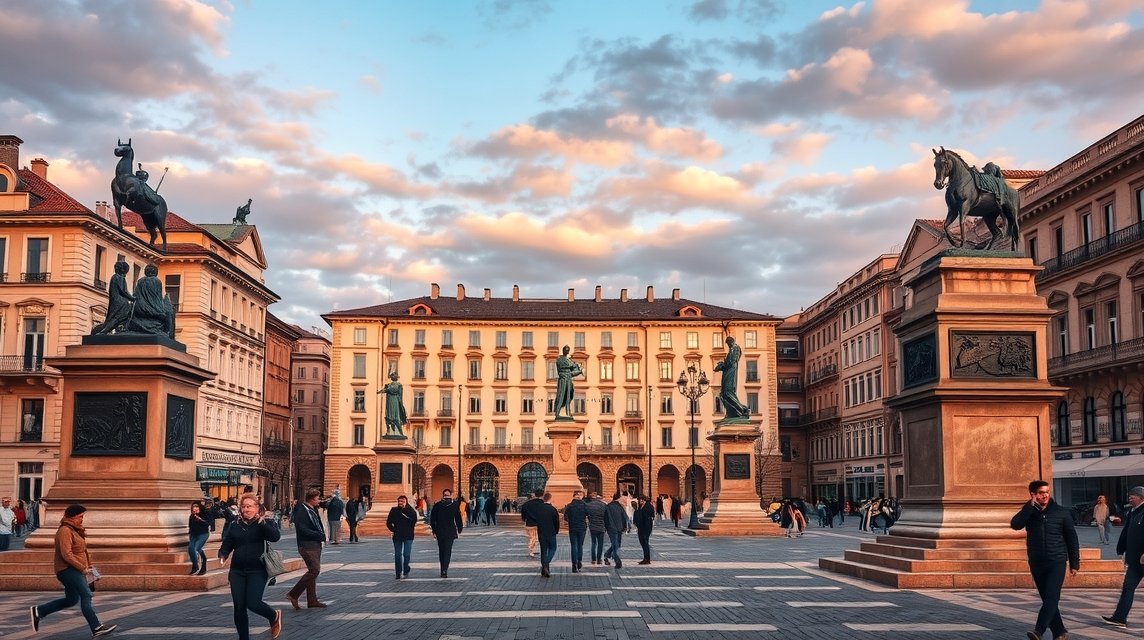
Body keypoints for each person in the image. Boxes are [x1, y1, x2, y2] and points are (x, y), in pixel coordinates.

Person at [29, 504, 117, 637]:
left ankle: (39, 611)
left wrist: (90, 568)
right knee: (86, 596)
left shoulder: (75, 530)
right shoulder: (65, 530)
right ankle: (97, 627)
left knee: (71, 600)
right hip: (68, 570)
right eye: (80, 516)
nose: (82, 519)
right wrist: (83, 568)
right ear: (73, 516)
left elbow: (82, 552)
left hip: (75, 569)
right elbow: (66, 554)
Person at [1011, 480, 1079, 640]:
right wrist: (1029, 506)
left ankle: (1038, 631)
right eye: (1041, 493)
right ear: (1033, 494)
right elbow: (1015, 525)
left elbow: (1072, 539)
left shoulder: (1061, 512)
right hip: (1037, 561)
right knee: (1047, 599)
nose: (1045, 495)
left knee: (1051, 597)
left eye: (1047, 492)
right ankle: (1060, 631)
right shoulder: (1029, 512)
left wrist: (1074, 563)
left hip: (1057, 561)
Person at [1103, 486, 1144, 628]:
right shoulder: (1133, 512)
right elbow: (1126, 532)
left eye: (1133, 495)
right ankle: (1120, 618)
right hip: (1134, 560)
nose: (1130, 498)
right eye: (1129, 495)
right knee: (1128, 587)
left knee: (1128, 587)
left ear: (1141, 497)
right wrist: (1121, 548)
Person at [287, 489, 327, 611]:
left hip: (314, 544)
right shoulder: (302, 510)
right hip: (307, 544)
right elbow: (302, 529)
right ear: (312, 499)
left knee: (312, 571)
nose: (319, 500)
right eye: (318, 498)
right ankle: (294, 594)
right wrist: (318, 535)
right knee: (314, 571)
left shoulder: (310, 510)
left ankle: (312, 600)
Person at [91, 260, 134, 335]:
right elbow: (124, 291)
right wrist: (133, 298)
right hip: (120, 302)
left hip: (115, 300)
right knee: (122, 315)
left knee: (114, 318)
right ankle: (105, 331)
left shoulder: (114, 277)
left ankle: (110, 330)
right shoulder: (119, 277)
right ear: (123, 270)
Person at [127, 264, 170, 335]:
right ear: (155, 272)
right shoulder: (156, 281)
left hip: (139, 309)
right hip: (153, 310)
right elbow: (157, 297)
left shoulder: (140, 281)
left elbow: (135, 294)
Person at [713, 336, 750, 419]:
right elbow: (729, 362)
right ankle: (733, 413)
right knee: (724, 393)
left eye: (728, 344)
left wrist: (722, 365)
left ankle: (742, 410)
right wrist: (722, 365)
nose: (728, 346)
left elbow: (731, 362)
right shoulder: (732, 349)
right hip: (728, 372)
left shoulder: (735, 348)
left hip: (730, 372)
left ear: (730, 342)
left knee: (727, 392)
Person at [429, 488, 463, 577]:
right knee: (447, 551)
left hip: (441, 531)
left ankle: (443, 569)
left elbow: (432, 519)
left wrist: (434, 530)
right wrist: (459, 528)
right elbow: (458, 518)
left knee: (442, 551)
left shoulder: (437, 505)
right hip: (449, 531)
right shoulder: (454, 505)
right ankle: (444, 569)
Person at [387, 495, 418, 579]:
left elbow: (414, 521)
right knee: (397, 554)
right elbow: (388, 522)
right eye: (399, 501)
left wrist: (405, 510)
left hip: (408, 535)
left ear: (406, 502)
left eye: (402, 501)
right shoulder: (394, 510)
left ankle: (406, 570)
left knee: (406, 554)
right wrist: (393, 529)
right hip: (397, 535)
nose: (401, 503)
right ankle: (398, 572)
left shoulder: (411, 511)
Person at [553, 345, 583, 419]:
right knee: (561, 395)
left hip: (568, 379)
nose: (567, 351)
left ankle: (567, 413)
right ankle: (557, 413)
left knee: (568, 396)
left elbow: (573, 369)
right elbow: (569, 368)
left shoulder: (569, 360)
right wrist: (576, 368)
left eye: (568, 350)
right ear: (563, 350)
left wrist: (578, 369)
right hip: (563, 380)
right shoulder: (560, 359)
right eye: (566, 350)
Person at [535, 492, 560, 578]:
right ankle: (545, 564)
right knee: (553, 548)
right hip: (551, 532)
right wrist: (556, 530)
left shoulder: (538, 508)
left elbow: (536, 519)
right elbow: (556, 521)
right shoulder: (553, 509)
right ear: (550, 499)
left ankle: (544, 570)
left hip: (541, 532)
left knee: (543, 551)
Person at [564, 490, 589, 572]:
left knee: (573, 546)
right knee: (580, 545)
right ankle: (579, 561)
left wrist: (571, 520)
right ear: (581, 496)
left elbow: (565, 518)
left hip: (572, 527)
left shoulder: (569, 506)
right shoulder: (585, 505)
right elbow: (588, 515)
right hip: (582, 527)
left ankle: (573, 565)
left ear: (573, 496)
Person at [377, 372, 407, 436]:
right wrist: (381, 391)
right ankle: (388, 430)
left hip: (395, 400)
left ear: (396, 377)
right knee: (389, 415)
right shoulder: (388, 384)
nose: (393, 377)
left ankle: (400, 433)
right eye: (392, 376)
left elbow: (393, 390)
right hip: (390, 401)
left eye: (394, 376)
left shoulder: (398, 385)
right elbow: (386, 389)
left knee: (396, 416)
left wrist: (383, 390)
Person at [604, 492, 628, 570]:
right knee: (616, 545)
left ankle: (607, 554)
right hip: (618, 528)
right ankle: (618, 562)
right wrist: (625, 527)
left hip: (612, 528)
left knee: (616, 545)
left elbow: (606, 519)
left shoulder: (608, 506)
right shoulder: (619, 506)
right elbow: (624, 517)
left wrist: (607, 528)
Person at [187, 501, 210, 575]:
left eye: (196, 507)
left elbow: (208, 523)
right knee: (190, 549)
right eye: (193, 507)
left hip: (203, 534)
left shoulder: (204, 514)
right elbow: (190, 527)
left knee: (197, 548)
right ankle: (195, 566)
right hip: (194, 535)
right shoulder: (191, 516)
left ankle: (204, 561)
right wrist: (190, 536)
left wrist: (199, 518)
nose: (195, 508)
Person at [520, 489, 544, 558]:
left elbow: (523, 515)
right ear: (542, 495)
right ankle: (533, 549)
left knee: (531, 537)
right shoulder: (542, 504)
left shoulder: (526, 504)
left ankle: (532, 550)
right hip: (540, 523)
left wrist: (524, 519)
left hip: (529, 523)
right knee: (539, 537)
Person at [585, 491, 607, 565]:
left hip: (593, 527)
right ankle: (599, 559)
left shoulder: (588, 505)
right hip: (601, 526)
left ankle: (593, 559)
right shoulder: (604, 505)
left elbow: (587, 515)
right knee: (600, 543)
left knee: (593, 543)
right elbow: (606, 516)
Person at [634, 495, 655, 564]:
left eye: (640, 500)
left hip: (646, 527)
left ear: (643, 500)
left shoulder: (648, 507)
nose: (639, 502)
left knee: (645, 541)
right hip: (641, 527)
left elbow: (650, 516)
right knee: (642, 542)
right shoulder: (640, 507)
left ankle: (647, 559)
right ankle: (645, 558)